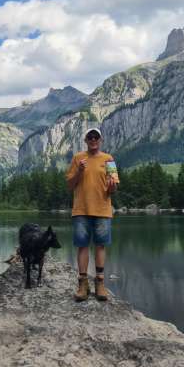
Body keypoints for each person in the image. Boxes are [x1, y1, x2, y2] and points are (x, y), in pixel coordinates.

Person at [65, 127, 119, 302]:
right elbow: (70, 185)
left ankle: (100, 282)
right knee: (82, 246)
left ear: (101, 140)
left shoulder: (108, 159)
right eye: (90, 137)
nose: (93, 139)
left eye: (96, 137)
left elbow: (114, 188)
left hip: (103, 209)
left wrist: (112, 185)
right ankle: (82, 283)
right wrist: (79, 171)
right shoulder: (77, 158)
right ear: (86, 140)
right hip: (81, 209)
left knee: (100, 245)